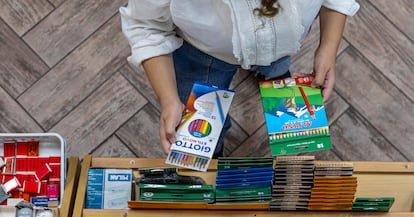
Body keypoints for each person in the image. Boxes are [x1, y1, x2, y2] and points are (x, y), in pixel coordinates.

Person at [119, 0, 360, 157]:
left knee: (275, 67)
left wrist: (328, 47)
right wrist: (170, 99)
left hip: (281, 46)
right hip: (203, 55)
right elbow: (145, 26)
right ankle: (213, 148)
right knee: (204, 135)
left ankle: (273, 74)